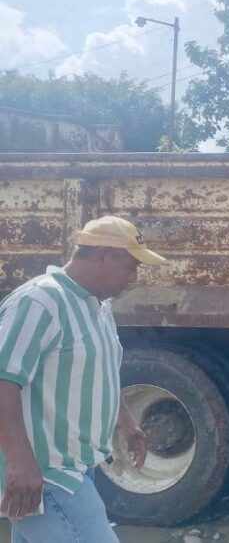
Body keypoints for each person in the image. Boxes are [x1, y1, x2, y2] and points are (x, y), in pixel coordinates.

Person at [0, 216, 159, 542]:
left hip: (74, 468)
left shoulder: (99, 308)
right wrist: (20, 465)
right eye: (131, 266)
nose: (134, 276)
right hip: (45, 474)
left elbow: (99, 373)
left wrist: (127, 424)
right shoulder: (40, 302)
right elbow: (4, 380)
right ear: (104, 256)